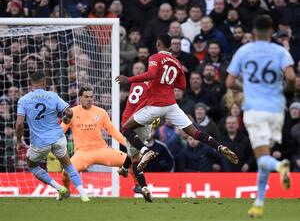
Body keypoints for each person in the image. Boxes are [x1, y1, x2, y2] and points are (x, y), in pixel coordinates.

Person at [115, 34, 238, 172]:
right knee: (194, 132)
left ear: (158, 44)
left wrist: (129, 79)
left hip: (156, 104)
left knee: (125, 128)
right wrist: (167, 82)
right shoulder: (177, 62)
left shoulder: (155, 58)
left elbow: (151, 74)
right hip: (172, 105)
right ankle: (218, 146)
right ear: (170, 46)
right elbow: (183, 85)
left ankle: (145, 150)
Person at [226, 15, 296, 218]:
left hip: (255, 110)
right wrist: (286, 88)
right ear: (271, 31)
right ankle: (258, 203)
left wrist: (245, 87)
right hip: (276, 110)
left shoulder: (244, 50)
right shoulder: (280, 51)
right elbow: (291, 77)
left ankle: (279, 165)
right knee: (264, 154)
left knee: (264, 158)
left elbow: (230, 82)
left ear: (254, 33)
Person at [60, 85, 151, 202]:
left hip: (102, 150)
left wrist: (128, 144)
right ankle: (67, 191)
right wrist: (62, 124)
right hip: (82, 153)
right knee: (65, 172)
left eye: (91, 97)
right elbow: (61, 131)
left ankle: (138, 186)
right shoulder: (72, 112)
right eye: (86, 97)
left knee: (132, 159)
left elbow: (112, 130)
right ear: (80, 98)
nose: (89, 99)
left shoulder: (101, 112)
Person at [15, 71, 89, 202]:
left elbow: (20, 123)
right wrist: (66, 119)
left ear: (30, 83)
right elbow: (69, 111)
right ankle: (83, 195)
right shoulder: (53, 96)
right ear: (44, 83)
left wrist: (19, 141)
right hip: (58, 138)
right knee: (68, 165)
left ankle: (59, 188)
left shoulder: (24, 100)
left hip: (39, 142)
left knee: (32, 166)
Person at [120, 65, 153, 201]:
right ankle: (123, 168)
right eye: (137, 68)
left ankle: (142, 186)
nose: (139, 71)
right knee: (133, 150)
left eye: (141, 69)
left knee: (135, 156)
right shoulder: (152, 85)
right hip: (146, 120)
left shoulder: (134, 82)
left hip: (131, 119)